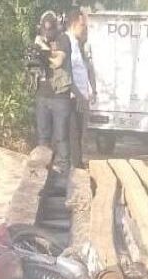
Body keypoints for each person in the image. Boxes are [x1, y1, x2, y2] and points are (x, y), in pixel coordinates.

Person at [34, 11, 73, 174]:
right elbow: (34, 62)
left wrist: (44, 49)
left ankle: (63, 170)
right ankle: (44, 169)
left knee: (61, 136)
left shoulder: (63, 39)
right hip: (42, 95)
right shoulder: (39, 39)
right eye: (44, 31)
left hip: (60, 97)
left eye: (50, 31)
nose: (47, 34)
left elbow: (58, 62)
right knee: (43, 136)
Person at [65, 8, 93, 169]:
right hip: (72, 98)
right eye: (83, 25)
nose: (85, 29)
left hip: (81, 97)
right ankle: (74, 167)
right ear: (74, 24)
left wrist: (89, 92)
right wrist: (79, 95)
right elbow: (68, 75)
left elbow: (83, 70)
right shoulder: (67, 42)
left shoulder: (78, 44)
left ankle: (78, 163)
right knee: (73, 134)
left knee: (81, 134)